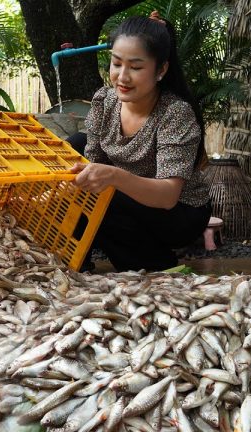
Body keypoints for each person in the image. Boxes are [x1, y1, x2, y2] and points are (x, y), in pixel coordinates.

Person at [68, 12, 211, 272]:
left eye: (135, 67)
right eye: (116, 63)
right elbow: (91, 162)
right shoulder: (104, 100)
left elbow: (168, 195)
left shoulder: (174, 113)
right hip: (131, 195)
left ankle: (153, 262)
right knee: (76, 146)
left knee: (106, 195)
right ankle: (77, 256)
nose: (122, 77)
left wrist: (112, 175)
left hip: (178, 212)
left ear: (161, 70)